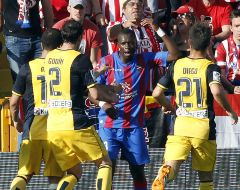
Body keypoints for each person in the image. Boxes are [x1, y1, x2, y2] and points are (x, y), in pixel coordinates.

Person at [151, 22, 238, 190]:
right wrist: (230, 111)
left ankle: (164, 175)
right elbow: (217, 91)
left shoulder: (176, 65)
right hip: (203, 127)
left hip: (180, 124)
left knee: (171, 165)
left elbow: (156, 94)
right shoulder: (209, 67)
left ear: (189, 41)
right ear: (208, 44)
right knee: (205, 177)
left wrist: (168, 106)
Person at [94, 23, 179, 189]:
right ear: (117, 44)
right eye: (124, 43)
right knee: (107, 169)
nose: (128, 46)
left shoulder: (144, 59)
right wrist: (104, 105)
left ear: (136, 44)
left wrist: (158, 29)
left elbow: (174, 54)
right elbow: (92, 91)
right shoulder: (107, 62)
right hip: (109, 127)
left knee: (138, 172)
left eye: (131, 43)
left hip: (134, 127)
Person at [45, 19, 121, 190]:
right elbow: (93, 93)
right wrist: (112, 97)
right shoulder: (80, 59)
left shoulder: (50, 57)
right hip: (75, 122)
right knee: (104, 163)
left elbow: (73, 83)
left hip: (53, 127)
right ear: (80, 38)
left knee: (74, 172)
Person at [9, 28, 63, 190]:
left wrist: (17, 121)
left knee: (24, 174)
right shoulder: (63, 68)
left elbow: (13, 102)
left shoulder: (27, 68)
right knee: (55, 177)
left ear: (41, 44)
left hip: (32, 128)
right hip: (55, 131)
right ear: (60, 46)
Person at [1, 0, 54, 82]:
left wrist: (51, 34)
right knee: (20, 82)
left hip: (37, 38)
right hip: (14, 38)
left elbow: (47, 7)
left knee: (41, 80)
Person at [53, 0, 102, 68]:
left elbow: (93, 61)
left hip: (82, 69)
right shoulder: (58, 27)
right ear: (69, 8)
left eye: (81, 8)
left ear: (86, 9)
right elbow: (52, 55)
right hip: (62, 67)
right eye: (75, 8)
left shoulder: (93, 30)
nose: (78, 11)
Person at [215, 9, 240, 94]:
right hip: (229, 86)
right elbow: (220, 75)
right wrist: (232, 88)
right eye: (237, 26)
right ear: (231, 27)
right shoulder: (222, 47)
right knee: (219, 90)